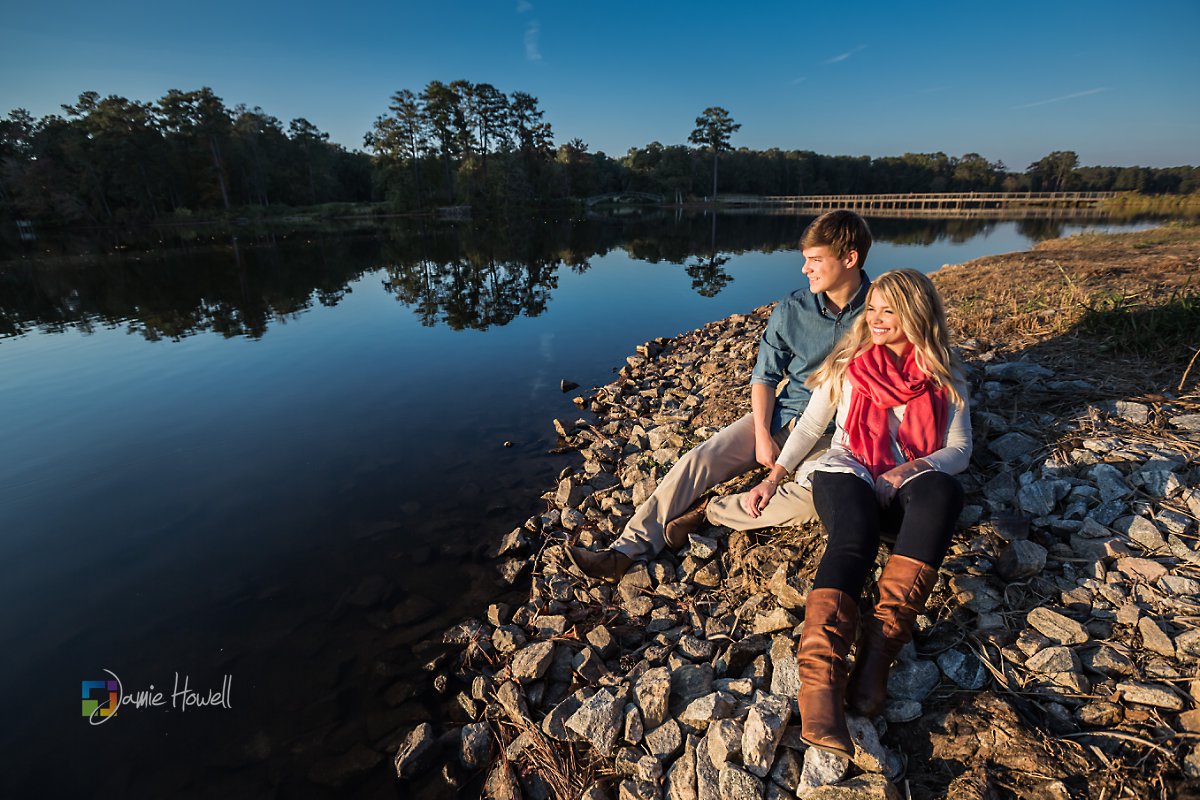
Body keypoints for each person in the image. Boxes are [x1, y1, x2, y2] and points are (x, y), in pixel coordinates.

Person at [733, 268, 970, 757]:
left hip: (906, 478)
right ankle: (819, 684)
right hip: (848, 467)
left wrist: (912, 469)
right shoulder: (850, 363)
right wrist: (774, 477)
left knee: (944, 491)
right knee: (854, 532)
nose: (875, 319)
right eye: (873, 309)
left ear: (916, 314)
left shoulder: (944, 371)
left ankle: (876, 660)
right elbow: (810, 426)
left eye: (889, 311)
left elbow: (959, 449)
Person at [567, 210, 874, 583]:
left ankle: (714, 510)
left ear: (849, 258)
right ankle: (626, 551)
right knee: (700, 459)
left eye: (815, 260)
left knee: (815, 502)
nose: (804, 269)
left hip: (834, 437)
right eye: (804, 259)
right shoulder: (794, 308)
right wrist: (762, 435)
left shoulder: (881, 311)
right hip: (784, 417)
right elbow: (765, 377)